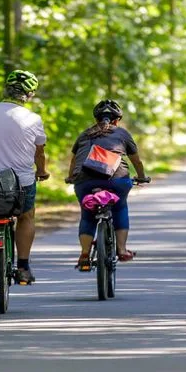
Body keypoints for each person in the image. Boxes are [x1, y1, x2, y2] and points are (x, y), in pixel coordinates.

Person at [0, 70, 49, 285]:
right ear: (29, 95)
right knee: (26, 216)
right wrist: (41, 171)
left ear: (6, 89)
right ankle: (23, 266)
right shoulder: (34, 118)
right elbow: (39, 152)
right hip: (20, 180)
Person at [67, 99, 149, 271]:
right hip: (116, 179)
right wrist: (141, 177)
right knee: (119, 207)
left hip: (85, 180)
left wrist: (71, 177)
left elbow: (74, 161)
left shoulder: (84, 134)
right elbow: (137, 161)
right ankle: (121, 249)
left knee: (88, 214)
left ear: (96, 119)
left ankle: (84, 254)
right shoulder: (122, 134)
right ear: (117, 120)